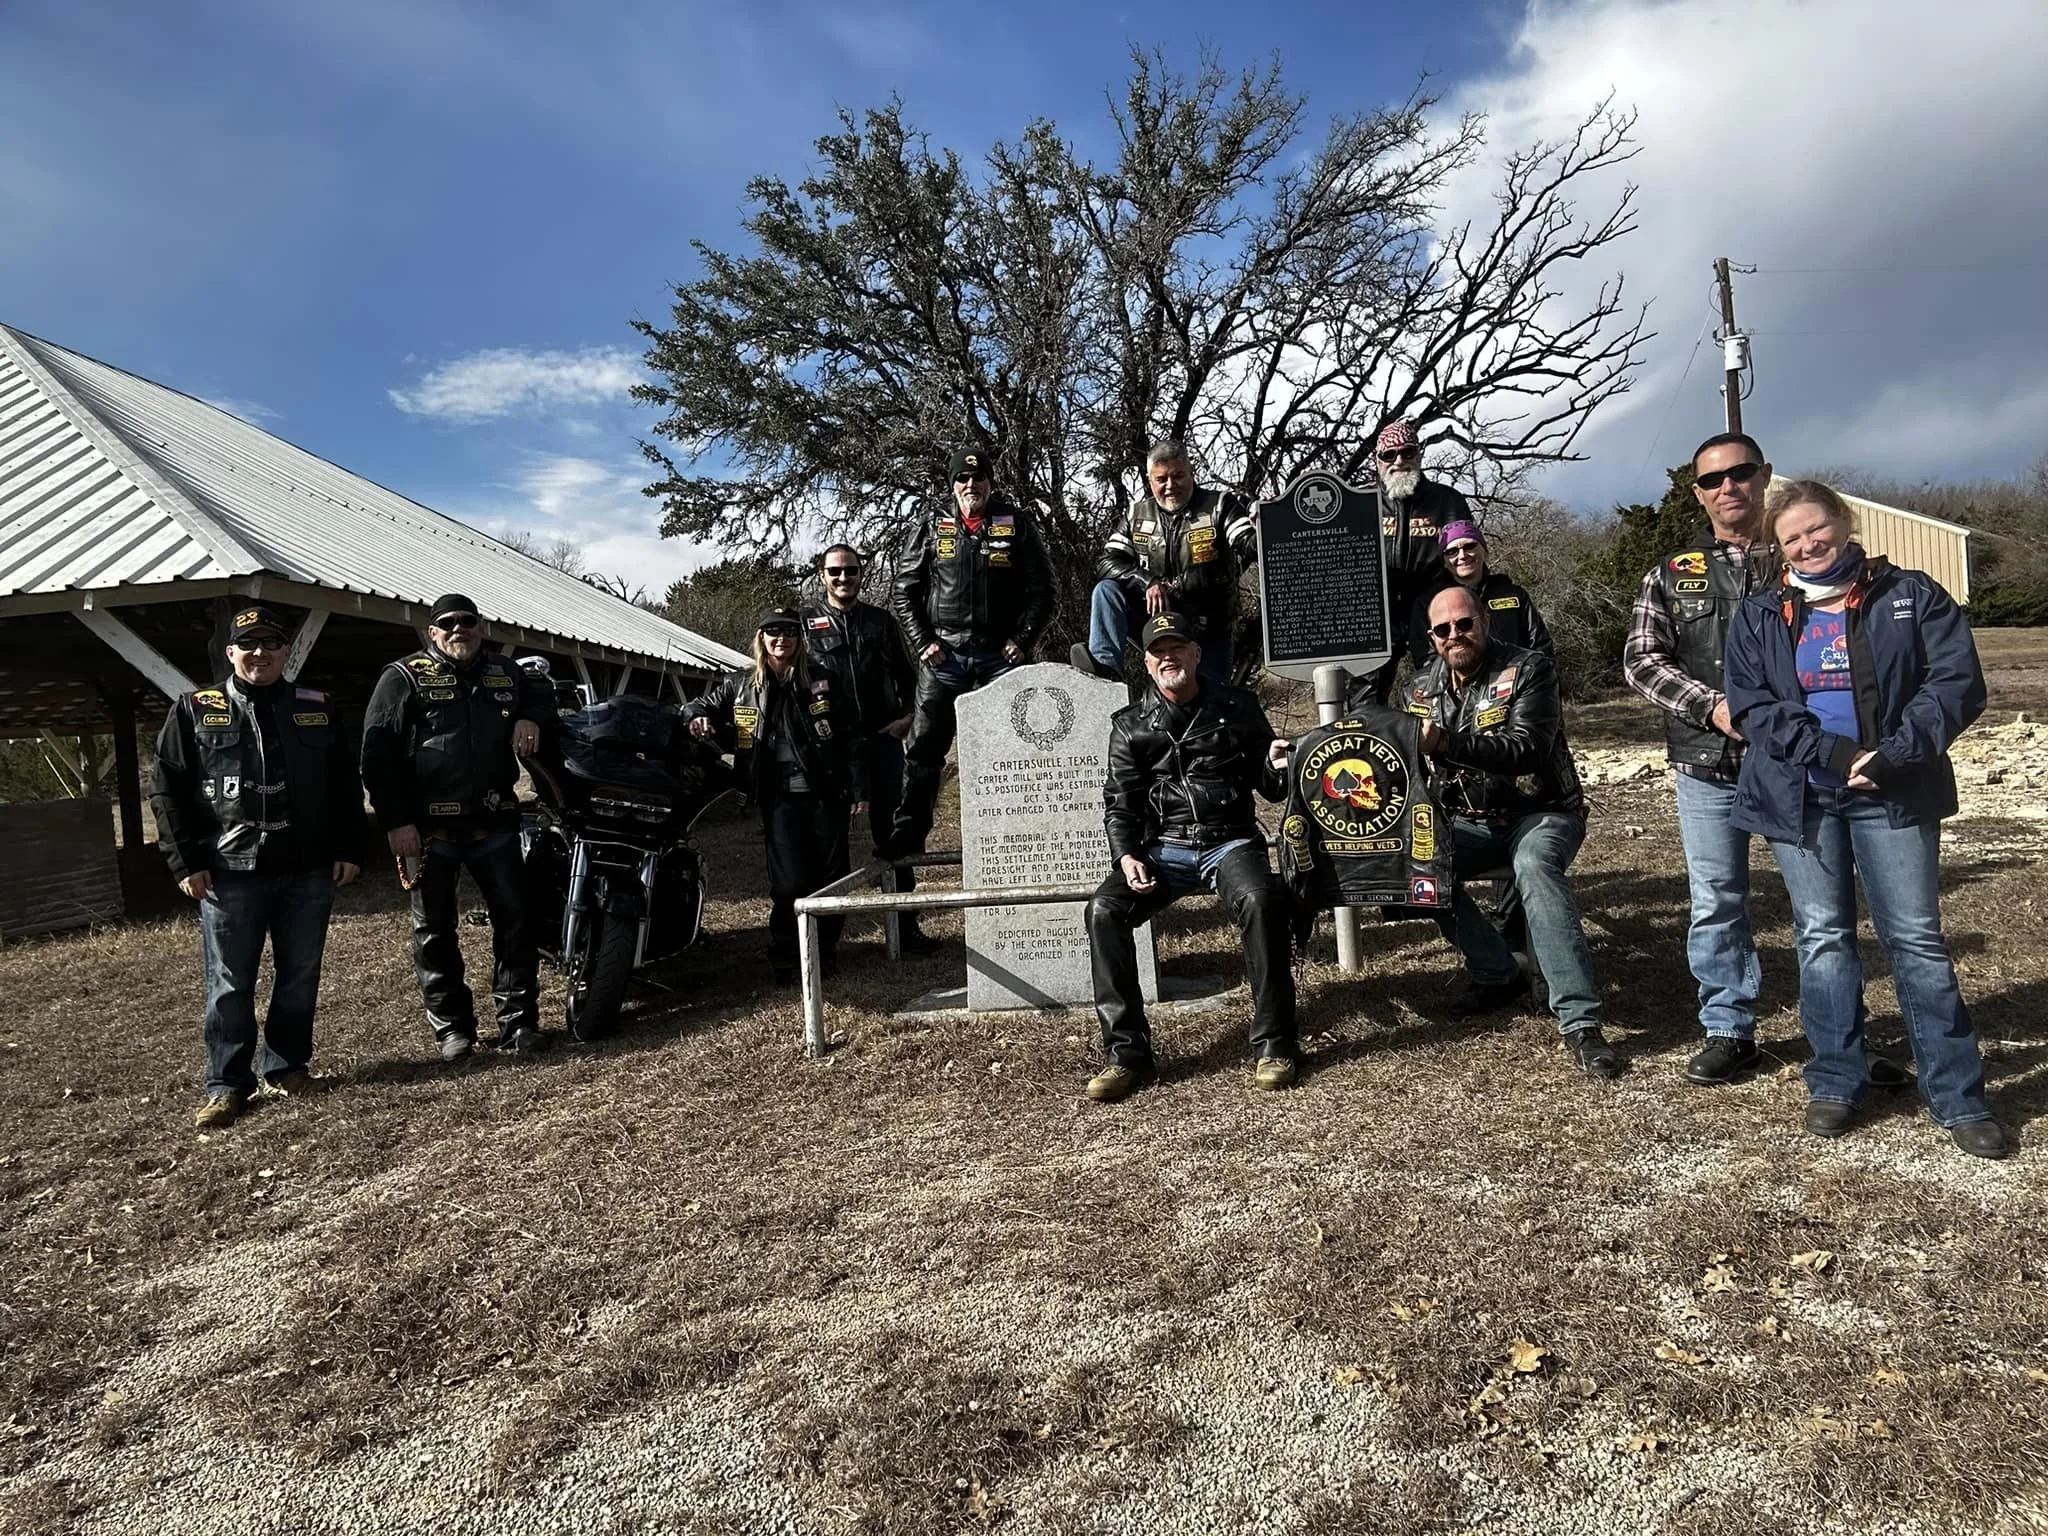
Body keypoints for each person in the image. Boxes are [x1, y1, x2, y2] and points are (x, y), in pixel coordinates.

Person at [1724, 481, 2002, 1158]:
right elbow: (1753, 706)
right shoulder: (1759, 614)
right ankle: (1836, 1079)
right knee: (1822, 938)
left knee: (1916, 939)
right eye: (1791, 538)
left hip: (1894, 792)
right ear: (1777, 547)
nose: (1807, 544)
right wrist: (1833, 753)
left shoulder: (1911, 594)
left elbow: (1956, 682)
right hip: (1803, 795)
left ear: (1844, 523)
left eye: (1816, 528)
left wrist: (1894, 754)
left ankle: (1958, 1096)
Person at [150, 603, 367, 1127]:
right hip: (229, 872)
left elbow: (344, 784)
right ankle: (227, 1084)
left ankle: (287, 1067)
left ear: (287, 652)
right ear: (230, 653)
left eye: (272, 643)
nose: (260, 652)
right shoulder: (194, 709)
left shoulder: (317, 706)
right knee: (229, 982)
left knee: (300, 973)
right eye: (248, 644)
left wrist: (350, 848)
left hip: (307, 867)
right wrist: (185, 861)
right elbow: (166, 789)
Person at [1406, 585, 1620, 1078]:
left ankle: (1580, 1022)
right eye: (1443, 629)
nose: (1455, 634)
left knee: (1534, 865)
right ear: (1432, 637)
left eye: (1465, 623)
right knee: (1415, 865)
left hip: (1540, 812)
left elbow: (1527, 748)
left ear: (1484, 621)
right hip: (1467, 820)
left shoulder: (1529, 669)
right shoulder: (1418, 689)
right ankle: (1497, 971)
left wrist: (1446, 741)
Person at [1084, 612, 1298, 1101]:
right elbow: (1120, 801)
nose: (1168, 658)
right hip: (1164, 847)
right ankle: (1125, 1055)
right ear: (1146, 663)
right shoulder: (1130, 725)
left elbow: (1271, 785)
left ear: (1196, 654)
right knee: (1103, 910)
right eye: (1158, 652)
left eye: (1177, 648)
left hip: (1229, 841)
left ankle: (1275, 1045)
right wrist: (1126, 855)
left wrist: (1276, 764)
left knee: (1261, 900)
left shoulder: (1237, 707)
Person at [360, 594, 554, 1061]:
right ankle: (452, 1030)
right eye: (447, 623)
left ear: (480, 628)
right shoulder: (403, 676)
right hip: (429, 832)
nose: (458, 629)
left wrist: (530, 715)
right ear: (432, 632)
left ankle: (519, 1023)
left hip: (495, 823)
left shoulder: (506, 673)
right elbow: (377, 756)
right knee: (433, 933)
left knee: (516, 922)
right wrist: (396, 822)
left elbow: (544, 698)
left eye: (467, 621)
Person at [887, 445, 1054, 862]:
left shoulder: (1015, 523)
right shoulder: (931, 524)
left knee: (1015, 750)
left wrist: (1023, 640)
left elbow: (1044, 592)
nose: (970, 484)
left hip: (1000, 658)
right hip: (944, 656)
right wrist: (922, 641)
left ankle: (1021, 840)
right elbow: (904, 590)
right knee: (923, 750)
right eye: (962, 478)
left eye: (978, 477)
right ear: (952, 484)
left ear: (990, 482)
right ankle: (907, 836)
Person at [684, 607, 862, 984]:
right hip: (779, 799)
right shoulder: (741, 684)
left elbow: (850, 736)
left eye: (790, 632)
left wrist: (858, 787)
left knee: (831, 878)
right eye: (773, 632)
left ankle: (825, 953)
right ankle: (785, 955)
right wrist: (696, 717)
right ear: (761, 638)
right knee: (788, 883)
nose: (782, 639)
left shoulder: (822, 679)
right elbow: (698, 705)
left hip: (825, 794)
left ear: (800, 638)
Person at [802, 544, 934, 953]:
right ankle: (825, 944)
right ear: (822, 575)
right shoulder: (803, 624)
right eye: (835, 571)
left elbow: (910, 677)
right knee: (827, 845)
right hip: (831, 750)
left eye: (851, 571)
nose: (843, 578)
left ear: (861, 574)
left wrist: (908, 718)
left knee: (896, 835)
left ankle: (905, 929)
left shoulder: (881, 621)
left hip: (881, 743)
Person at [1074, 440, 1257, 685]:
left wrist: (1265, 524)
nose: (1170, 485)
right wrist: (1147, 581)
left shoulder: (1220, 505)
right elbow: (1107, 562)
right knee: (1106, 590)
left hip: (1205, 628)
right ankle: (1104, 672)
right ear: (1150, 480)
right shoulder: (1136, 513)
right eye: (1161, 479)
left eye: (1178, 476)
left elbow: (1248, 543)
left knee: (1211, 698)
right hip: (1156, 620)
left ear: (1191, 473)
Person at [1364, 420, 1473, 705]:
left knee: (1443, 694)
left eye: (1407, 452)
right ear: (1377, 460)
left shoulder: (1447, 501)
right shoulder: (1359, 503)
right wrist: (1272, 517)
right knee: (1363, 702)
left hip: (1432, 609)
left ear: (1419, 454)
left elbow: (1469, 557)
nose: (1399, 460)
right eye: (1389, 454)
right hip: (1376, 613)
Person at [1406, 520, 1552, 665]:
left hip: (1516, 677)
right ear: (1444, 561)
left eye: (1469, 546)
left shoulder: (1514, 595)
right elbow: (1424, 657)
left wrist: (1530, 675)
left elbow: (1541, 647)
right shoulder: (1428, 603)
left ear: (1484, 550)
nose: (1462, 556)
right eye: (1452, 551)